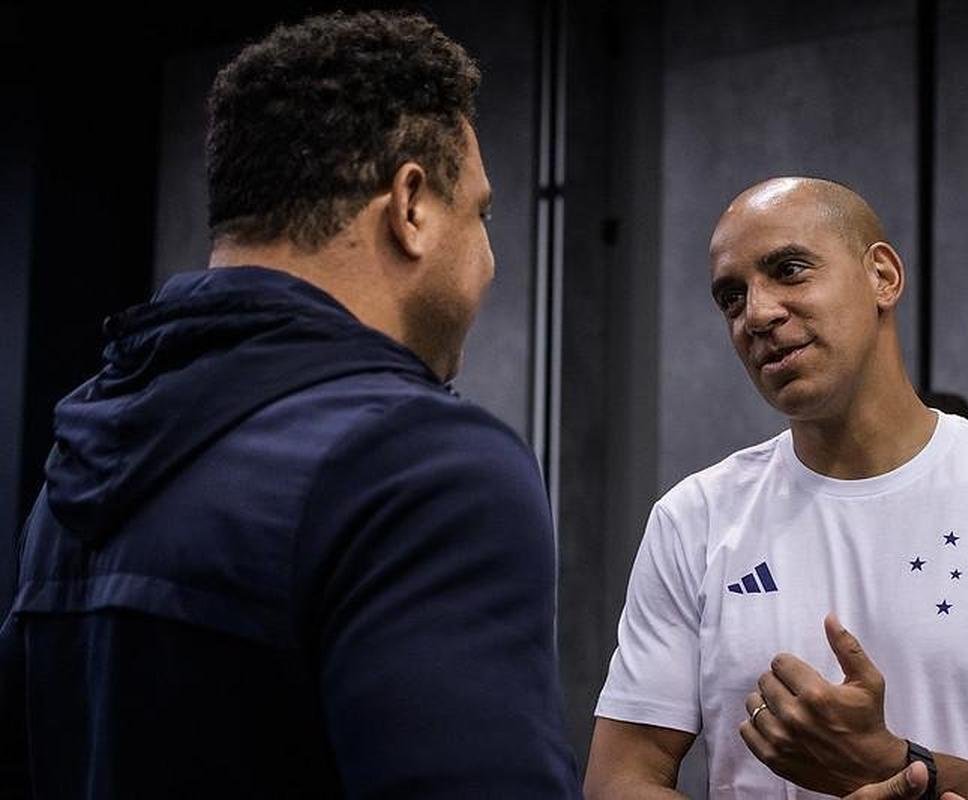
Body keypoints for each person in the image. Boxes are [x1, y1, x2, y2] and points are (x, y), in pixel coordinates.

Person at [0, 11, 579, 798]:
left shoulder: (75, 469)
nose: (489, 260)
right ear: (409, 205)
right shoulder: (422, 466)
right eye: (478, 214)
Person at [584, 178, 968, 799]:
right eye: (731, 298)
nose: (757, 314)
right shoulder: (694, 519)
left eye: (789, 270)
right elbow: (618, 780)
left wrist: (899, 768)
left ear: (883, 277)